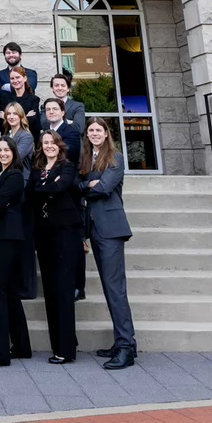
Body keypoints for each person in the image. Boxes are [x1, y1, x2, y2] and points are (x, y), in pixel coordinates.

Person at [79, 117, 136, 370]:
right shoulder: (87, 157)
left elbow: (103, 189)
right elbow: (79, 185)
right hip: (94, 228)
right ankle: (121, 342)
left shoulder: (116, 157)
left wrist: (87, 186)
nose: (94, 134)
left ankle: (126, 347)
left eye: (98, 130)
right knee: (108, 287)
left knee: (115, 289)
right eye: (90, 130)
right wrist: (86, 185)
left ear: (106, 133)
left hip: (111, 229)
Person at [28, 130, 82, 365]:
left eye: (52, 142)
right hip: (44, 234)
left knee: (62, 290)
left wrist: (44, 188)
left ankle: (66, 349)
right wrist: (47, 186)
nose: (49, 146)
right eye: (45, 143)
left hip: (65, 234)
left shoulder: (67, 167)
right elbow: (31, 193)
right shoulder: (37, 169)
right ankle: (59, 343)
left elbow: (59, 189)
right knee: (50, 290)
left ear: (60, 145)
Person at [0, 136, 31, 368]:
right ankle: (21, 346)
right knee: (9, 291)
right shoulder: (0, 173)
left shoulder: (14, 174)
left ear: (14, 152)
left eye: (6, 150)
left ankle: (0, 353)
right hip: (1, 235)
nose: (2, 153)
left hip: (7, 237)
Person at [3, 102, 38, 300]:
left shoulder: (26, 135)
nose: (12, 116)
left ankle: (28, 287)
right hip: (11, 188)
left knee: (25, 241)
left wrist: (2, 152)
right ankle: (17, 284)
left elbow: (15, 156)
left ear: (21, 116)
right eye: (9, 113)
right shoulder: (7, 135)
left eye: (15, 113)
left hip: (23, 189)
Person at [0, 66, 40, 141]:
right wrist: (26, 117)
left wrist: (8, 118)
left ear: (25, 78)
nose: (15, 80)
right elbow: (0, 124)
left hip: (28, 140)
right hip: (8, 140)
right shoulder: (4, 98)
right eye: (12, 78)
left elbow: (34, 123)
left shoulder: (33, 99)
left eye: (18, 77)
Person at [43, 97, 81, 164]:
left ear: (62, 113)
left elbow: (67, 154)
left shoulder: (72, 132)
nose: (51, 112)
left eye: (55, 109)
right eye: (48, 109)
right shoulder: (44, 133)